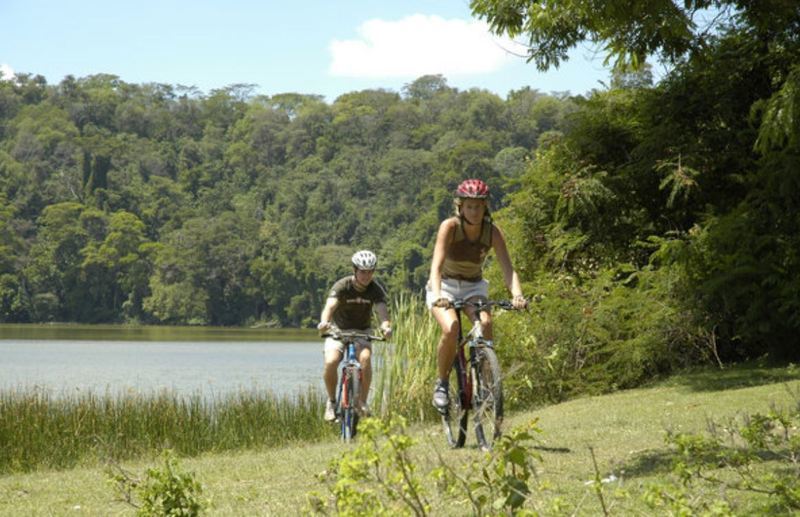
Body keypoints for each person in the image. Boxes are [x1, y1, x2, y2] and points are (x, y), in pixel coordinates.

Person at [426, 179, 527, 412]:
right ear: (460, 206)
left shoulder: (492, 232)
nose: (474, 211)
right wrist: (439, 295)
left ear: (486, 207)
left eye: (479, 206)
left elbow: (508, 269)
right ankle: (441, 383)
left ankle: (486, 383)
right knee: (451, 328)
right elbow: (436, 266)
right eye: (470, 206)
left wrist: (518, 295)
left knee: (486, 322)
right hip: (445, 286)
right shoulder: (450, 227)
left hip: (474, 286)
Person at [317, 250, 392, 421]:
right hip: (337, 330)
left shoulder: (375, 289)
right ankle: (332, 401)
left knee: (365, 359)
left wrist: (386, 328)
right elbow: (330, 307)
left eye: (370, 271)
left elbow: (382, 313)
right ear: (355, 270)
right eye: (363, 271)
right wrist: (324, 323)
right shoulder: (342, 286)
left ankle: (362, 402)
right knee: (331, 361)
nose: (366, 276)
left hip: (362, 332)